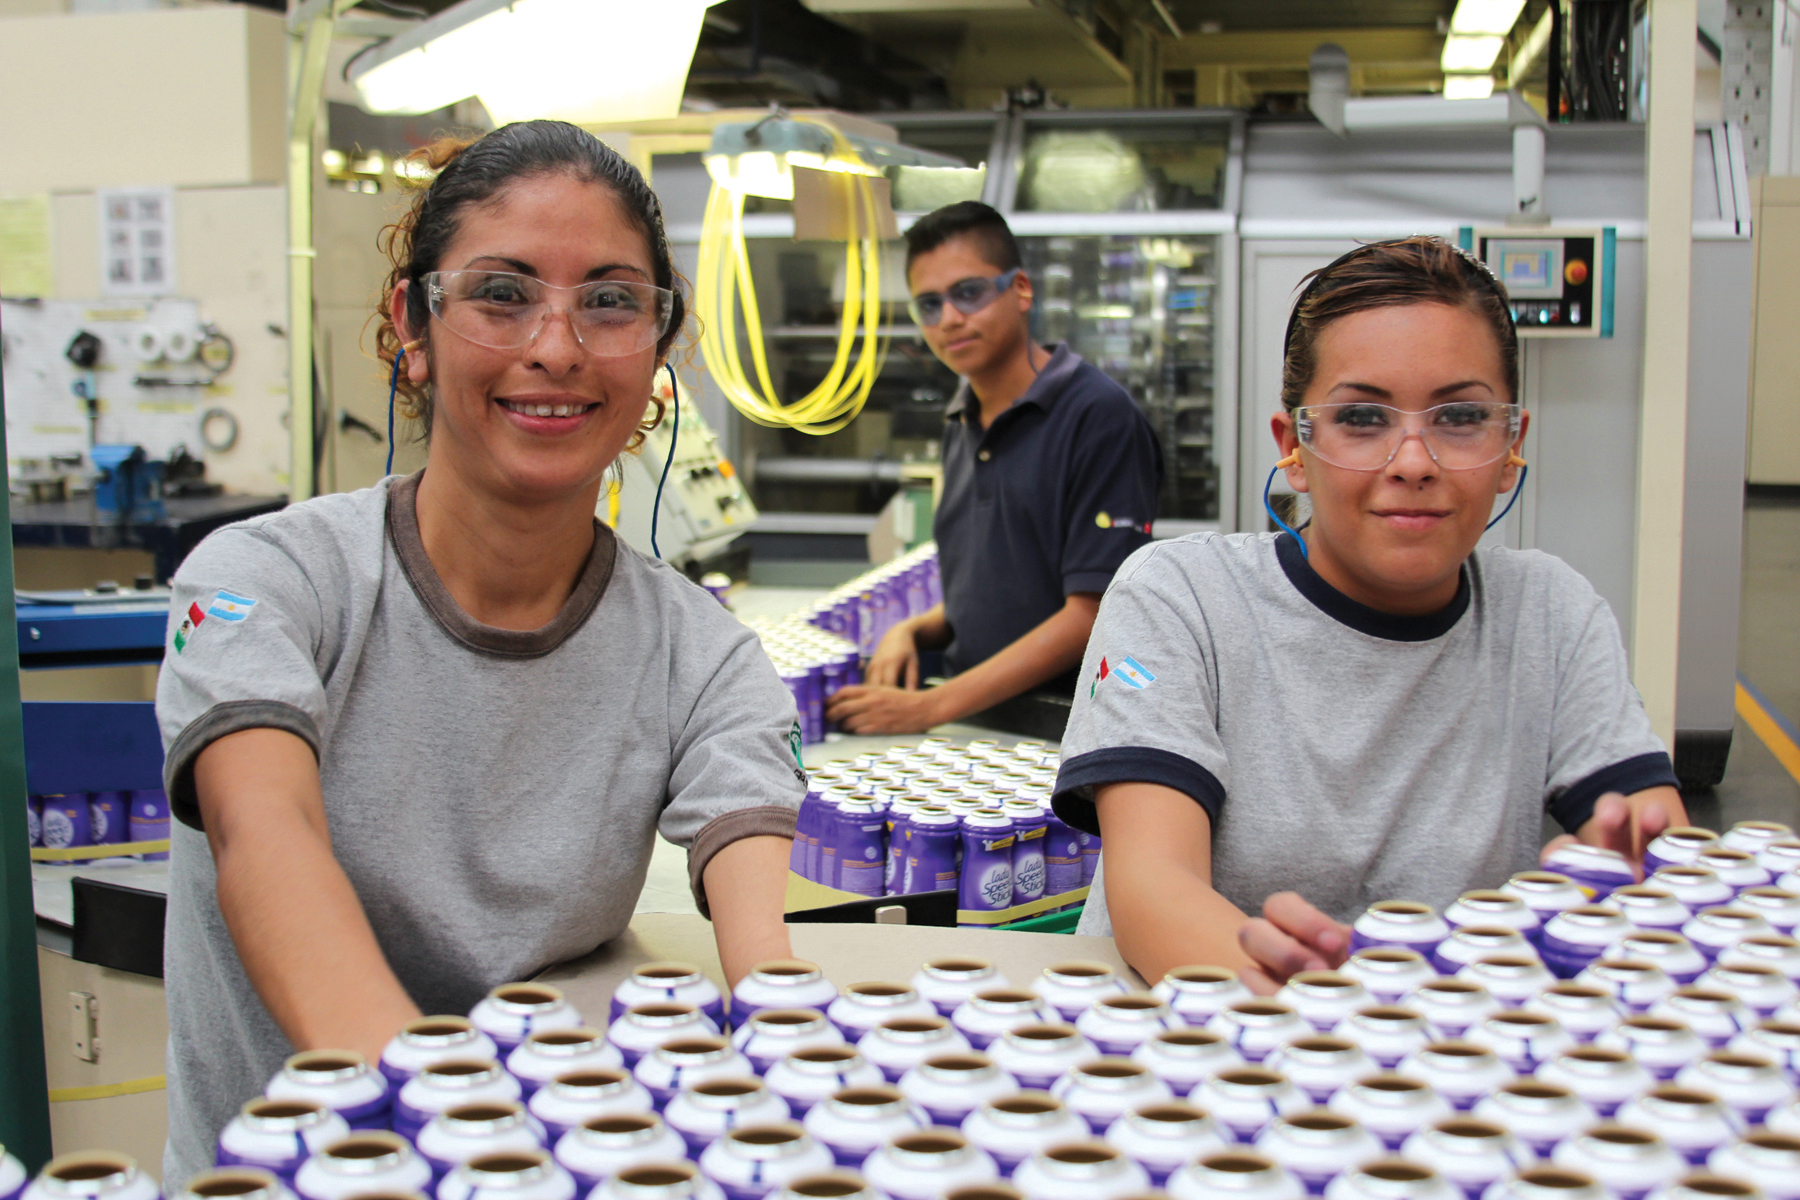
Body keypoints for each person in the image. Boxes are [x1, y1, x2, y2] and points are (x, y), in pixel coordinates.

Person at [156, 121, 801, 1181]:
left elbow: (761, 948)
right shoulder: (266, 585)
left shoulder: (703, 657)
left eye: (609, 300)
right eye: (503, 294)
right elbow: (262, 836)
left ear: (659, 343)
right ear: (414, 324)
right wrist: (450, 1125)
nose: (558, 347)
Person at [1050, 237, 1687, 993]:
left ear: (1511, 443)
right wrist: (1350, 1013)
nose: (1414, 461)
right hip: (1202, 1047)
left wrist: (1642, 882)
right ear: (1294, 447)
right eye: (1362, 416)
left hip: (1444, 1071)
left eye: (1459, 416)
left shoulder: (1549, 612)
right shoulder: (1182, 599)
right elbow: (1155, 892)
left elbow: (1659, 852)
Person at [826, 201, 1163, 735]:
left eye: (968, 292)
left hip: (1065, 732)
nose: (950, 319)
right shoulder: (961, 419)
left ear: (1021, 289)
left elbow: (1092, 612)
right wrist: (912, 630)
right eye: (929, 304)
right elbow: (1001, 592)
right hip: (977, 723)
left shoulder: (1098, 416)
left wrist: (929, 707)